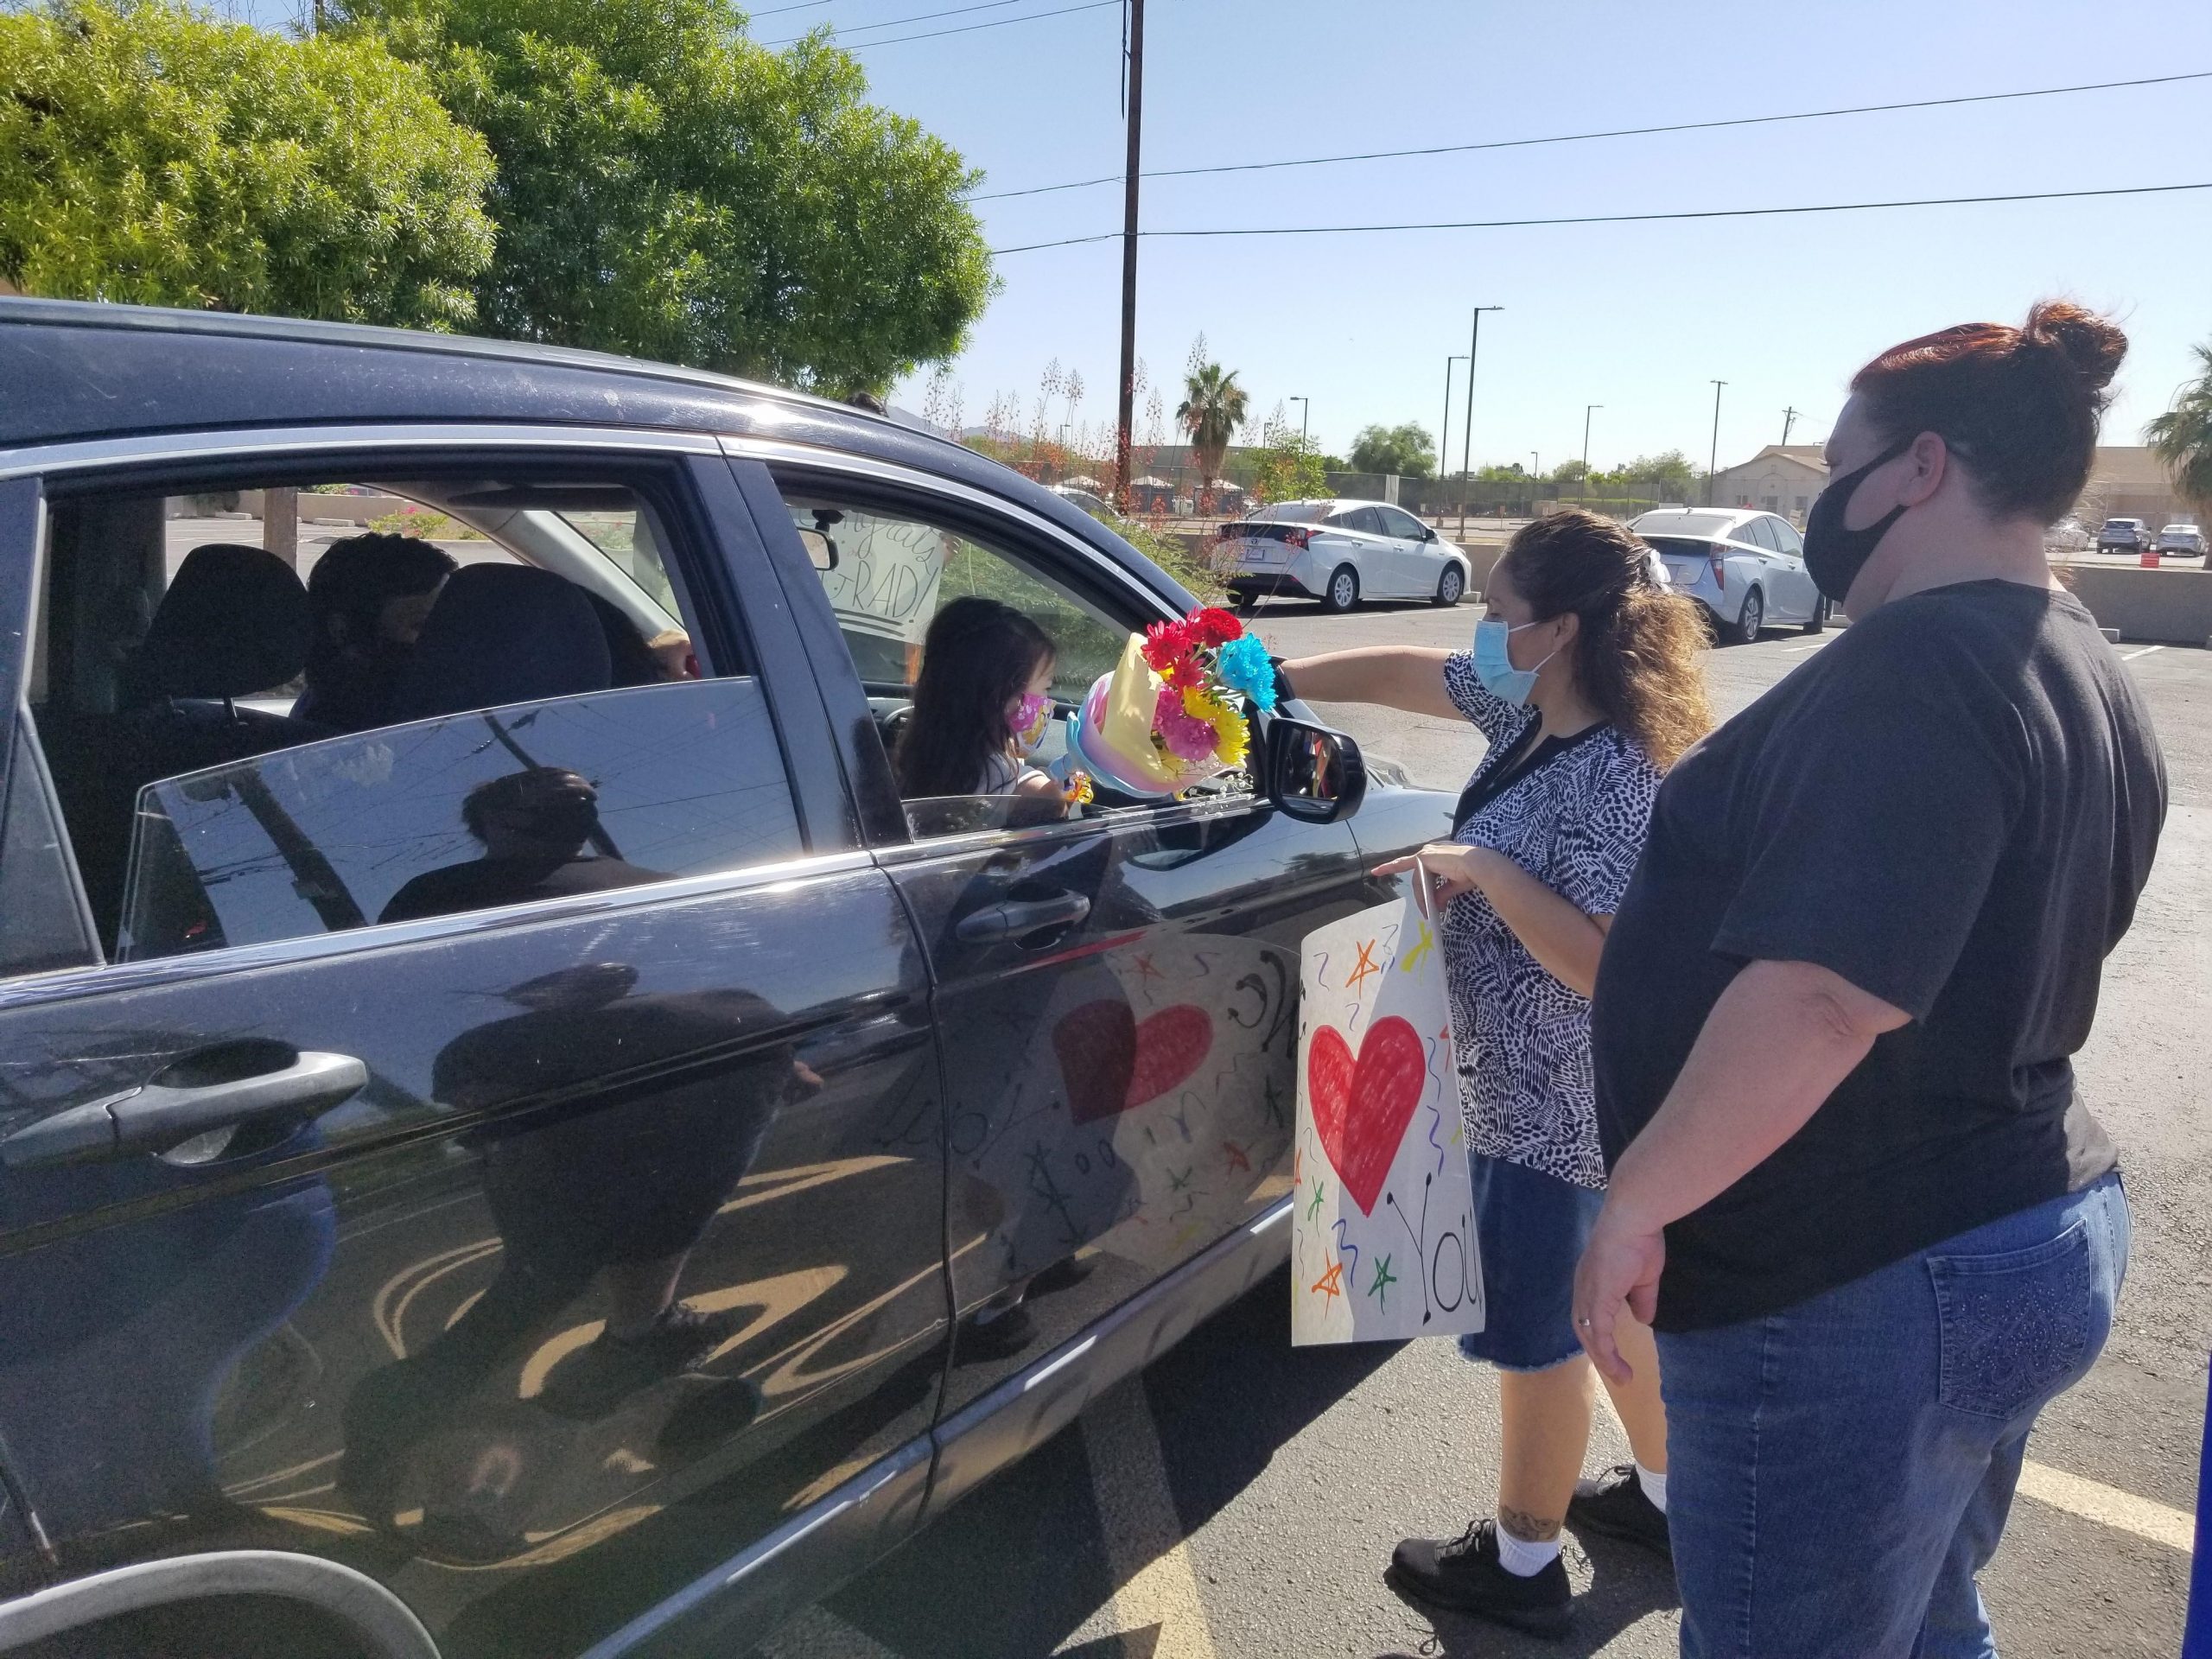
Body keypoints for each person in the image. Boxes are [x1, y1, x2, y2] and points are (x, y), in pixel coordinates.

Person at [1573, 301, 2164, 1658]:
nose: (1822, 503)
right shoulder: (2076, 653)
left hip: (1854, 1284)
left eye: (1842, 464)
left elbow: (1829, 996)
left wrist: (1638, 1201)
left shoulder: (1922, 665)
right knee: (1927, 1619)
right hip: (2015, 1224)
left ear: (1920, 468)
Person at [1279, 508, 1713, 1637]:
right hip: (1530, 1093)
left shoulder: (1615, 773)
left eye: (1496, 611)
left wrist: (1483, 870)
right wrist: (1280, 677)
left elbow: (1607, 968)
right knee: (1607, 1317)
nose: (1478, 631)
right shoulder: (1533, 713)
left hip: (1551, 1111)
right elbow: (1411, 673)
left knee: (1543, 1342)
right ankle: (1669, 1503)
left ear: (1558, 630)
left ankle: (1521, 1567)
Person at [895, 595, 1063, 809]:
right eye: (1046, 687)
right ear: (1002, 695)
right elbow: (1054, 809)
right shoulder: (1004, 778)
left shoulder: (922, 750)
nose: (1046, 701)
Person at [296, 531, 456, 730]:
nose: (444, 637)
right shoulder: (338, 733)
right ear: (342, 631)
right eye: (420, 626)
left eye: (448, 622)